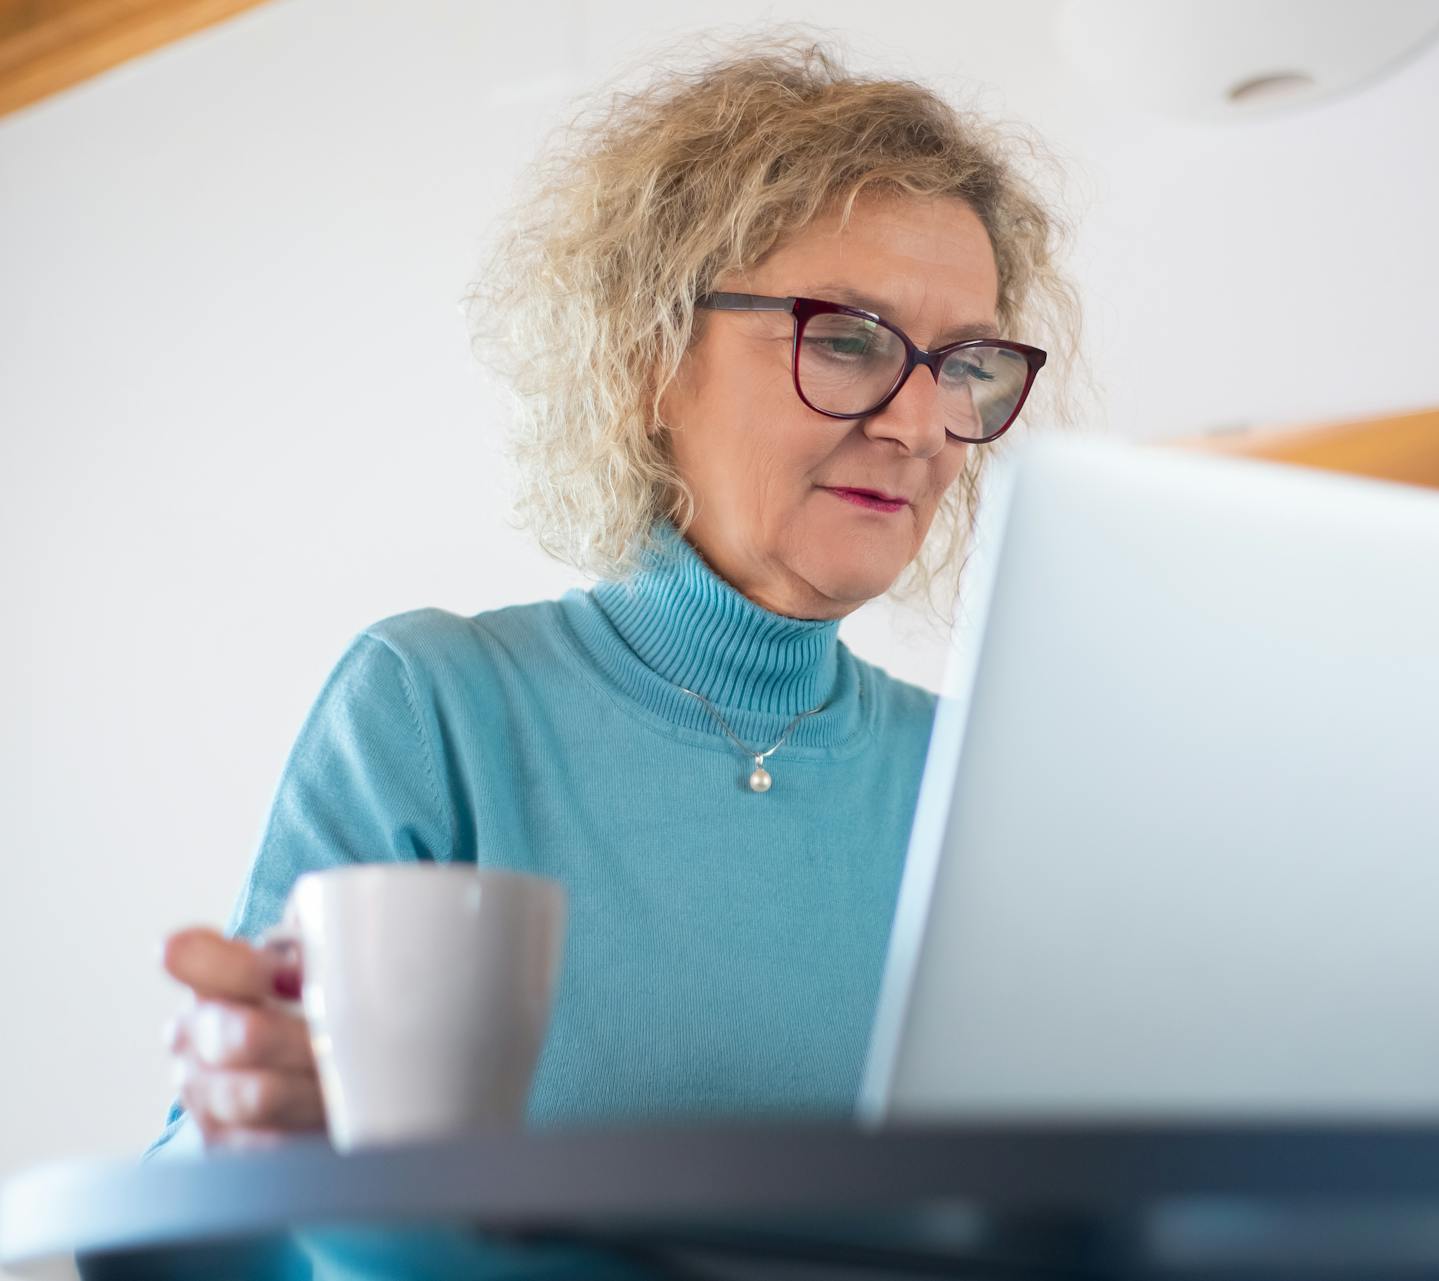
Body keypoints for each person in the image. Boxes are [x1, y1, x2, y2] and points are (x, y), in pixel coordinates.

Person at [153, 37, 1078, 1155]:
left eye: (967, 365)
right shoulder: (433, 709)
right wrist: (254, 1133)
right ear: (648, 355)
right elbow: (200, 1199)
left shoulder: (979, 784)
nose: (920, 427)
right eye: (844, 339)